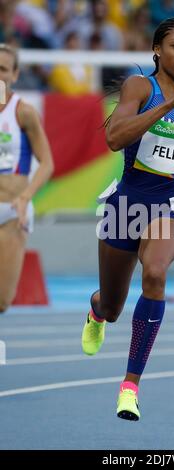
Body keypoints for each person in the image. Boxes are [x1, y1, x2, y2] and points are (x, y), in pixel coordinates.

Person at [81, 17, 174, 421]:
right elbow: (114, 138)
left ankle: (130, 387)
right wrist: (168, 104)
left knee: (156, 273)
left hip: (172, 204)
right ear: (158, 51)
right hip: (127, 203)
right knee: (113, 306)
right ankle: (96, 311)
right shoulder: (139, 87)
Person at [0, 43, 53, 313]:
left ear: (15, 74)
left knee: (2, 300)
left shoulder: (24, 112)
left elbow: (47, 164)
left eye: (3, 69)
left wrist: (25, 197)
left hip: (11, 212)